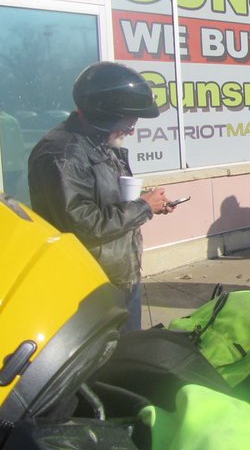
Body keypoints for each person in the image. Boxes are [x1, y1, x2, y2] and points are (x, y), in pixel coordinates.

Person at [28, 62, 175, 332]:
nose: (132, 130)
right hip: (92, 284)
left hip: (117, 274)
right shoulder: (63, 154)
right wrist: (143, 206)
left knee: (129, 355)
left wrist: (145, 202)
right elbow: (83, 223)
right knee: (113, 363)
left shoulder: (96, 142)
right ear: (105, 114)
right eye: (129, 121)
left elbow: (100, 199)